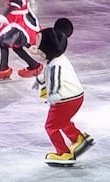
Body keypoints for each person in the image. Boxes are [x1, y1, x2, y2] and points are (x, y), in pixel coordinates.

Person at [32, 18, 93, 166]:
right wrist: (40, 80)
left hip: (65, 100)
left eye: (39, 48)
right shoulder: (59, 59)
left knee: (51, 126)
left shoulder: (54, 65)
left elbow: (55, 82)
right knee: (63, 121)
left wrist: (52, 97)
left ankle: (64, 153)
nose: (35, 49)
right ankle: (78, 138)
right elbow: (47, 73)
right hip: (76, 96)